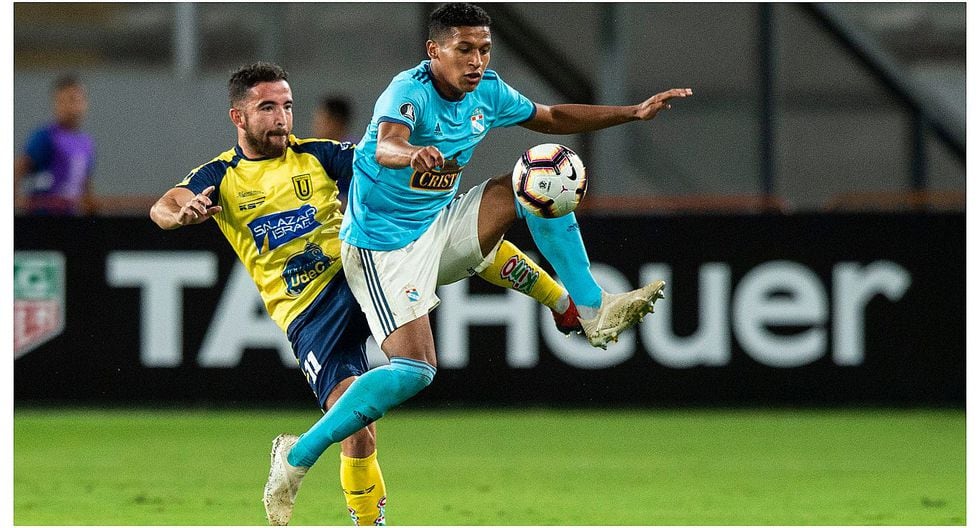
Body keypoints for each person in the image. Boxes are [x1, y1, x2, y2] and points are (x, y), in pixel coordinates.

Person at [263, 2, 692, 523]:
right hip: (383, 247)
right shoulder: (407, 92)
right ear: (434, 51)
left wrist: (632, 112)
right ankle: (296, 457)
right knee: (415, 370)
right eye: (464, 49)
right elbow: (387, 145)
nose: (477, 61)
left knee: (540, 180)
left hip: (440, 224)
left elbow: (551, 117)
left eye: (484, 49)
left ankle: (591, 305)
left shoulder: (487, 91)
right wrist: (412, 154)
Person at [149, 62, 582, 526]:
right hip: (309, 313)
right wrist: (182, 212)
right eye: (268, 108)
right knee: (357, 429)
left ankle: (564, 302)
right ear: (238, 117)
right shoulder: (222, 175)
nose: (281, 118)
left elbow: (375, 168)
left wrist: (416, 163)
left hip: (359, 273)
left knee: (451, 241)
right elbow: (165, 205)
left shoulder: (318, 155)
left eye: (288, 106)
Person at [15, 73, 97, 216]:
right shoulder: (45, 136)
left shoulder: (86, 143)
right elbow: (19, 168)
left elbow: (84, 183)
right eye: (63, 101)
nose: (70, 107)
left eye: (75, 100)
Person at [312, 96, 357, 209]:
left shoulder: (354, 155)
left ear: (335, 122)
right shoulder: (318, 152)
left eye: (321, 120)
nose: (315, 125)